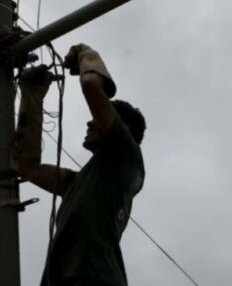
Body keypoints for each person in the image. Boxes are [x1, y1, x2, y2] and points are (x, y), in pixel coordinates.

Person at [12, 43, 146, 286]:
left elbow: (91, 85)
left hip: (93, 278)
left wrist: (84, 53)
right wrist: (32, 96)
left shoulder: (127, 155)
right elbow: (25, 166)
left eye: (97, 117)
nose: (90, 122)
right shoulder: (82, 181)